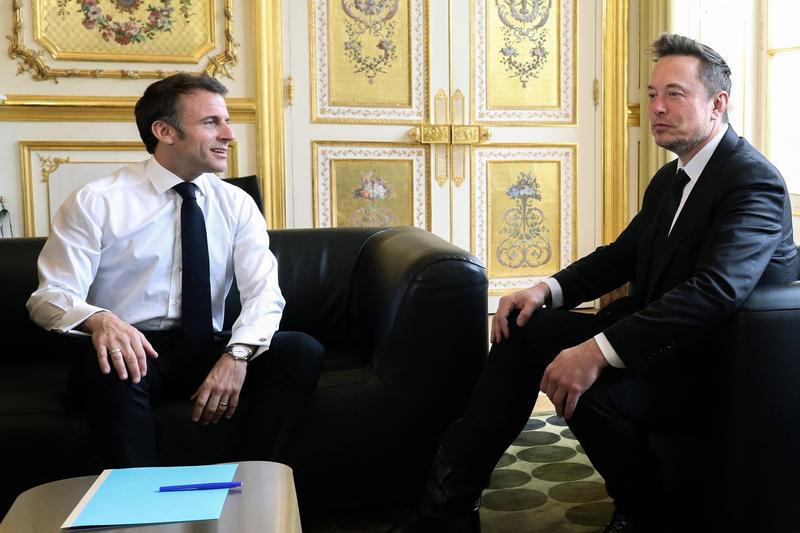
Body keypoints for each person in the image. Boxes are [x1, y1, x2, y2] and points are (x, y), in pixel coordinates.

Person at [393, 34, 797, 533]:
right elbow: (620, 257)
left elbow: (715, 291)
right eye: (651, 95)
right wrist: (544, 291)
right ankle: (446, 506)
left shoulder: (751, 180)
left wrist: (598, 351)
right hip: (657, 343)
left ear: (718, 103)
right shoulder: (673, 177)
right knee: (524, 328)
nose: (657, 108)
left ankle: (644, 515)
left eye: (674, 94)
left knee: (590, 389)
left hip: (711, 362)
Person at [27, 73, 324, 468]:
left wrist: (236, 355)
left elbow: (264, 293)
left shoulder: (236, 204)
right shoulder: (97, 201)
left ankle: (246, 481)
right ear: (165, 131)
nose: (230, 134)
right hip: (135, 351)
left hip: (209, 346)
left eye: (227, 120)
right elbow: (47, 298)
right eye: (211, 122)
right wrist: (98, 320)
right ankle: (143, 509)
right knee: (111, 365)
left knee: (301, 350)